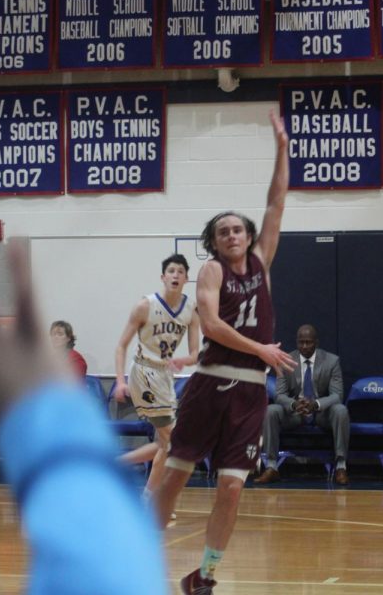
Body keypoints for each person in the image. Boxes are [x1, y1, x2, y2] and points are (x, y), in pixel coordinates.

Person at [0, 243, 167, 594]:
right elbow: (109, 561)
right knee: (165, 445)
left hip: (72, 437)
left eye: (60, 334)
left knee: (166, 444)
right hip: (74, 446)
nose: (55, 336)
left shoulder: (73, 360)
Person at [152, 110, 296, 594]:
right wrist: (262, 347)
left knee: (232, 488)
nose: (232, 235)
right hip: (211, 384)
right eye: (223, 232)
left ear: (249, 236)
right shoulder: (212, 271)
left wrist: (282, 148)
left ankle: (204, 574)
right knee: (174, 479)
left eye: (238, 229)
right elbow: (211, 323)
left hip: (250, 394)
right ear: (214, 243)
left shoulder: (261, 261)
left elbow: (276, 201)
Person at [112, 254, 200, 500]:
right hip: (143, 372)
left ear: (186, 278)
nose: (175, 275)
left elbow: (195, 353)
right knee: (174, 440)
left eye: (180, 271)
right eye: (171, 271)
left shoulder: (191, 309)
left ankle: (117, 466)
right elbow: (121, 346)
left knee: (166, 445)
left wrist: (184, 360)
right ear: (163, 277)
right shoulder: (145, 305)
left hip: (164, 377)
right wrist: (119, 381)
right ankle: (151, 500)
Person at [256, 324, 349, 485]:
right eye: (301, 342)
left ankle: (341, 466)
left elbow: (337, 395)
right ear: (297, 342)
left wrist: (317, 404)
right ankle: (271, 467)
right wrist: (293, 404)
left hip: (321, 412)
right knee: (270, 410)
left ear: (316, 342)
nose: (304, 346)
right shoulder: (286, 360)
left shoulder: (331, 361)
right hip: (296, 412)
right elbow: (279, 395)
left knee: (341, 410)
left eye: (308, 342)